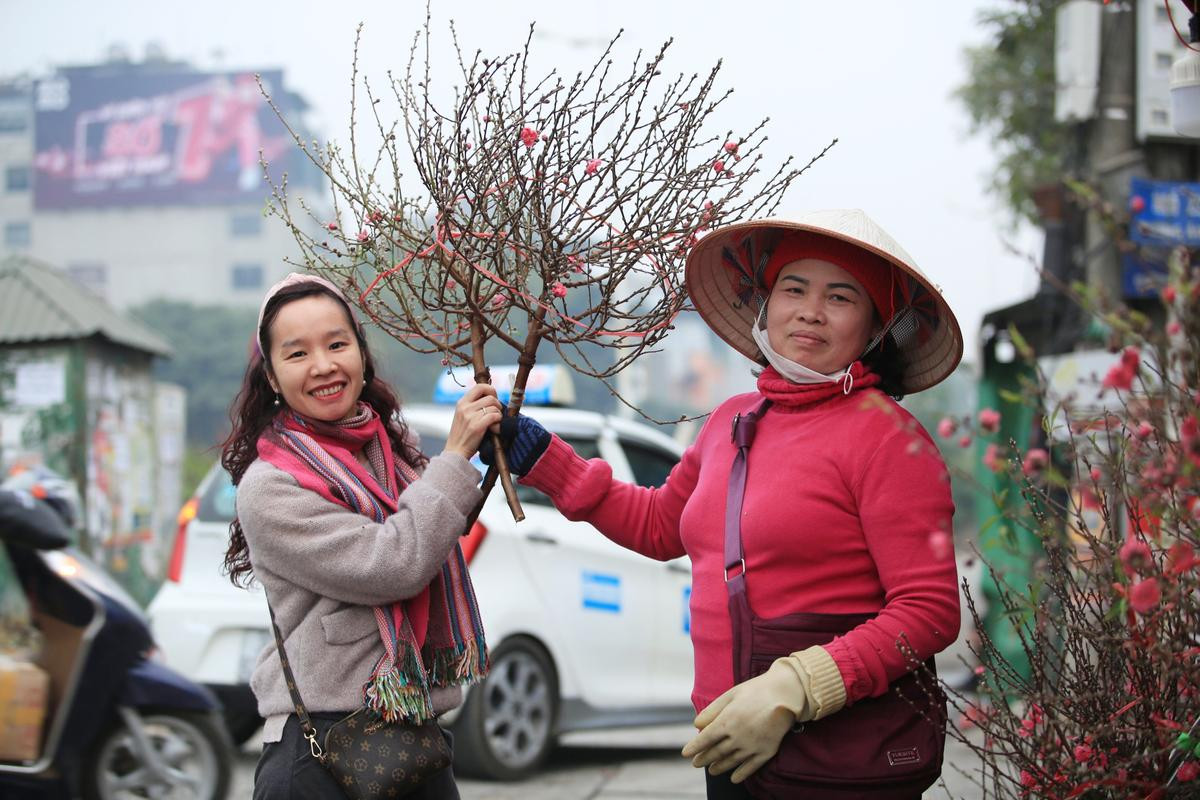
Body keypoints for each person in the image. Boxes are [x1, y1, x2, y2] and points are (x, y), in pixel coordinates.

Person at [482, 210, 963, 798]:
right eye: (793, 288)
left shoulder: (891, 440)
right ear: (766, 305)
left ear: (875, 328)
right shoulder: (731, 419)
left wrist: (794, 688)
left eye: (840, 297)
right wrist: (543, 458)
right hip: (730, 743)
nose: (810, 310)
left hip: (839, 757)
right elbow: (659, 525)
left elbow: (929, 611)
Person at [222, 273, 499, 800]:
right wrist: (456, 456)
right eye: (297, 353)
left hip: (414, 742)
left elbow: (435, 526)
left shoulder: (394, 453)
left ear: (361, 355)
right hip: (321, 753)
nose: (323, 365)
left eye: (336, 344)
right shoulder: (270, 487)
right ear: (274, 379)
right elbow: (392, 564)